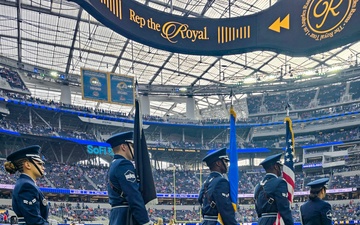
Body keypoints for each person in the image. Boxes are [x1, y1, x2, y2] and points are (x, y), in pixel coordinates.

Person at [106, 131, 152, 225]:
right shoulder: (123, 164)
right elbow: (133, 194)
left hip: (117, 216)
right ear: (124, 147)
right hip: (126, 216)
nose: (134, 150)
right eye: (132, 146)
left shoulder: (113, 165)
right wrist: (145, 221)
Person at [3, 145, 49, 225]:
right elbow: (34, 221)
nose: (43, 167)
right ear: (27, 165)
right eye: (39, 163)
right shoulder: (26, 186)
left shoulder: (26, 183)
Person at [198, 147, 237, 225]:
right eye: (225, 161)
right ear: (218, 163)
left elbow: (200, 199)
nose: (227, 164)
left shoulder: (206, 182)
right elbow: (225, 210)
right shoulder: (221, 182)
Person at [254, 153, 294, 225]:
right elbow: (284, 209)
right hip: (273, 221)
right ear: (276, 166)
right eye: (279, 166)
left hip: (261, 221)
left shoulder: (258, 186)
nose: (280, 169)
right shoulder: (279, 183)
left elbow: (258, 210)